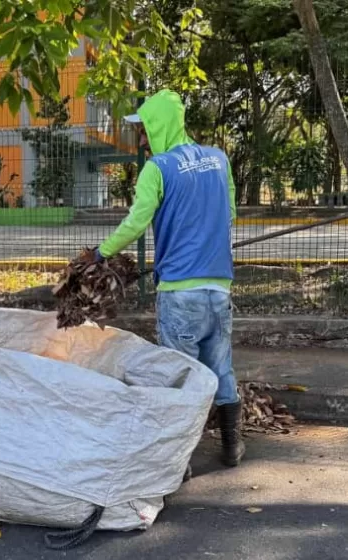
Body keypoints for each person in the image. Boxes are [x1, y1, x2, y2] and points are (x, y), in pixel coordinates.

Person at [93, 90, 243, 468]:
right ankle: (232, 447)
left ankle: (181, 462)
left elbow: (136, 222)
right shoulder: (219, 160)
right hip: (218, 288)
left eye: (143, 129)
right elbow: (230, 213)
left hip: (179, 292)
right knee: (221, 367)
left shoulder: (158, 168)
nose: (141, 138)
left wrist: (101, 254)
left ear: (158, 125)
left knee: (180, 375)